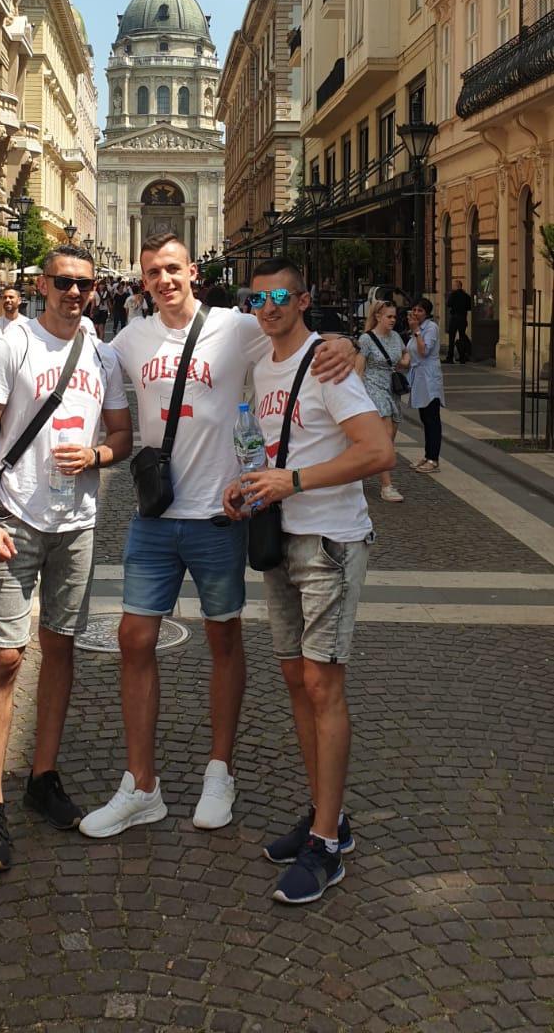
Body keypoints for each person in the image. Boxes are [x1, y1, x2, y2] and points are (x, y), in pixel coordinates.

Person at [78, 235, 357, 841]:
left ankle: (219, 771)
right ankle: (141, 785)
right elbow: (76, 360)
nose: (163, 280)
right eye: (153, 272)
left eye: (172, 269)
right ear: (143, 280)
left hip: (221, 515)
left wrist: (346, 344)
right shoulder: (130, 339)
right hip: (156, 515)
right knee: (133, 638)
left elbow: (299, 337)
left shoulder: (237, 326)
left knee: (223, 638)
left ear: (192, 271)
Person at [222, 258, 392, 905]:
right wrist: (248, 487)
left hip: (329, 541)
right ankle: (328, 814)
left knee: (323, 684)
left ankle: (326, 846)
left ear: (303, 301)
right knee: (296, 679)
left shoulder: (326, 363)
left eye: (279, 298)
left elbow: (376, 450)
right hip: (280, 538)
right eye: (256, 298)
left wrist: (291, 481)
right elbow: (270, 448)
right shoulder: (258, 364)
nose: (266, 308)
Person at [0, 245, 132, 874]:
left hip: (78, 522)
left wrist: (97, 456)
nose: (74, 293)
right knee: (6, 656)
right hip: (15, 518)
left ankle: (43, 775)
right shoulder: (12, 344)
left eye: (83, 284)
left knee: (60, 647)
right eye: (63, 282)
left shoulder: (102, 355)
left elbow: (121, 435)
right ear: (43, 284)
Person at [355, 299, 411, 502]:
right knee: (385, 436)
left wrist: (404, 362)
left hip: (392, 388)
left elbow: (405, 353)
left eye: (394, 317)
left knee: (390, 436)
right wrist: (358, 396)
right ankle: (386, 486)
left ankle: (359, 468)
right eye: (389, 316)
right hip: (373, 388)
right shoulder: (366, 339)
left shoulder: (396, 337)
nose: (393, 320)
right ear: (378, 317)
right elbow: (358, 370)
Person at [407, 298, 445, 473]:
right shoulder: (417, 329)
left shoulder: (430, 328)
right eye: (414, 309)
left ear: (427, 313)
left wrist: (416, 331)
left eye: (420, 310)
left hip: (429, 377)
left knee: (432, 418)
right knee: (424, 418)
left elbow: (424, 351)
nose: (416, 313)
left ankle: (433, 459)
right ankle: (427, 454)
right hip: (419, 377)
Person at [445, 279, 472, 363]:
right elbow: (469, 307)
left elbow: (448, 304)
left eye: (454, 285)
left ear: (457, 286)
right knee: (462, 337)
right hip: (463, 318)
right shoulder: (466, 296)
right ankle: (462, 357)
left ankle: (450, 357)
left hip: (454, 317)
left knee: (451, 338)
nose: (453, 287)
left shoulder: (453, 295)